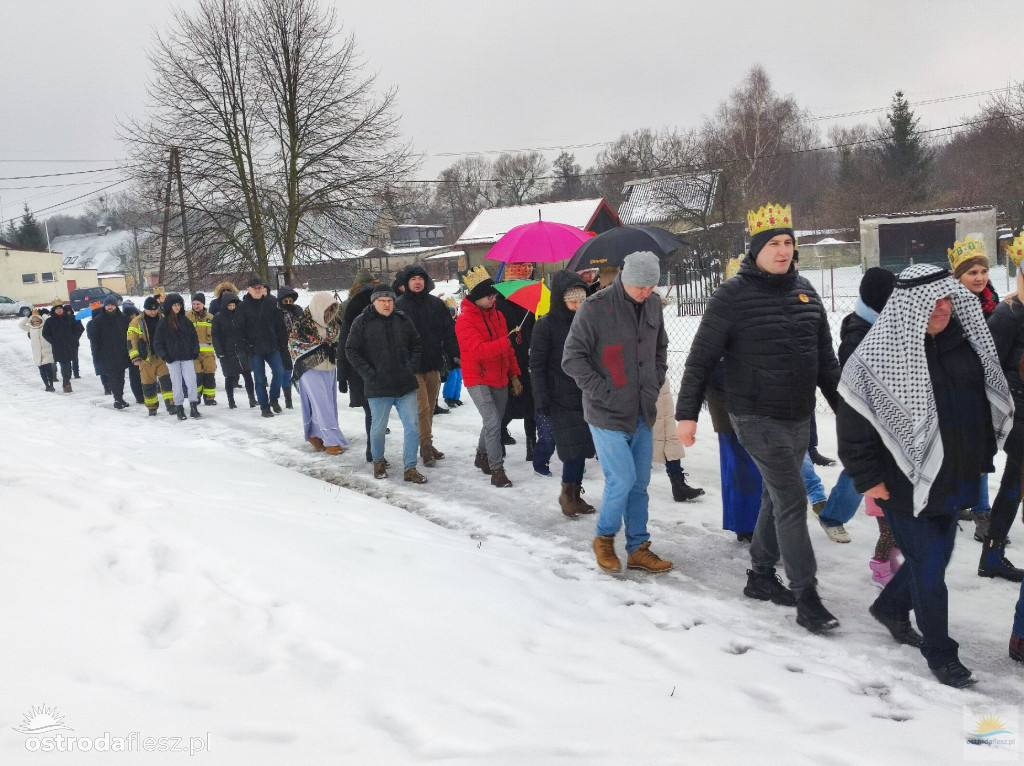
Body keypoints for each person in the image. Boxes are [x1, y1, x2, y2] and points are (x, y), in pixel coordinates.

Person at [838, 263, 1012, 688]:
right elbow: (853, 425)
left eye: (947, 299)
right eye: (931, 302)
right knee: (931, 568)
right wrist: (868, 479)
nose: (942, 308)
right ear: (907, 306)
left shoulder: (966, 342)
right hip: (902, 480)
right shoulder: (879, 353)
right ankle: (941, 654)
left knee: (933, 559)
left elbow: (985, 400)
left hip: (954, 475)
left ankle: (891, 608)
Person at [676, 203, 841, 633]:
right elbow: (699, 359)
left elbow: (826, 360)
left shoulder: (806, 290)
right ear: (756, 249)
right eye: (774, 243)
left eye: (788, 242)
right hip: (753, 414)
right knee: (792, 498)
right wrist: (687, 415)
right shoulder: (731, 295)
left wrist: (848, 412)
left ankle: (762, 577)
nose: (783, 250)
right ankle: (807, 596)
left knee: (774, 496)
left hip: (798, 414)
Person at [563, 251, 673, 575]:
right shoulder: (594, 308)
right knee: (621, 479)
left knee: (639, 483)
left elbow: (660, 349)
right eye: (639, 285)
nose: (644, 292)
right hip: (607, 413)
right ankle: (604, 538)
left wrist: (653, 382)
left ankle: (638, 548)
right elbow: (572, 358)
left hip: (642, 410)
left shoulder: (653, 304)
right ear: (624, 278)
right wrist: (603, 392)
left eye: (650, 286)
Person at [816, 267, 897, 546]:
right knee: (860, 467)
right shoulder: (858, 333)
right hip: (864, 413)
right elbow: (858, 380)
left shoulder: (886, 322)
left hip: (889, 409)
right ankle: (832, 517)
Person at [529, 270, 596, 516]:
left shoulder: (589, 321)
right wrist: (541, 397)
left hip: (587, 393)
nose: (578, 305)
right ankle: (568, 496)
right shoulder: (545, 325)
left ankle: (575, 494)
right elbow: (536, 365)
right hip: (559, 396)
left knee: (581, 447)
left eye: (582, 300)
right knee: (572, 450)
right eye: (572, 300)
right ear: (560, 299)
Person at [345, 284, 427, 484]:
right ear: (374, 302)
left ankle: (410, 467)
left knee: (412, 426)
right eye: (382, 301)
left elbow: (416, 343)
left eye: (390, 300)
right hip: (378, 387)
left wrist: (411, 366)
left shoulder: (402, 319)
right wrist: (368, 373)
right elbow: (351, 350)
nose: (387, 304)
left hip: (405, 384)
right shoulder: (362, 322)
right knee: (379, 428)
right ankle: (378, 462)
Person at [948, 235, 999, 541]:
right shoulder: (946, 308)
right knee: (954, 450)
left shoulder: (995, 306)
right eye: (972, 273)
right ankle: (952, 506)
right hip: (955, 388)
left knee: (981, 451)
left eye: (983, 271)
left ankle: (981, 510)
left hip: (984, 390)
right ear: (959, 277)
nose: (979, 278)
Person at [456, 267, 520, 489]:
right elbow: (478, 351)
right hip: (478, 378)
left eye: (494, 295)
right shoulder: (464, 320)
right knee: (493, 422)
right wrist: (507, 340)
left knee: (495, 421)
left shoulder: (499, 315)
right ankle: (497, 469)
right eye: (489, 296)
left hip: (500, 375)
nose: (494, 299)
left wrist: (514, 375)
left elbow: (507, 351)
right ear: (476, 297)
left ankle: (481, 455)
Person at [986, 235, 1024, 581]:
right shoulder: (1008, 315)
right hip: (1014, 416)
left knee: (1014, 484)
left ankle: (992, 555)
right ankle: (993, 553)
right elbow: (989, 368)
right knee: (1015, 481)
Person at [395, 264, 460, 468]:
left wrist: (454, 354)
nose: (417, 282)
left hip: (433, 362)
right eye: (413, 279)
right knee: (422, 408)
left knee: (430, 408)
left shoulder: (436, 304)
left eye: (420, 278)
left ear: (426, 281)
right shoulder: (399, 305)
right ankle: (425, 446)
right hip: (411, 367)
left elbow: (448, 332)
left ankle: (427, 443)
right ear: (407, 283)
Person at [289, 292, 349, 455]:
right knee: (321, 404)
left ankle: (316, 434)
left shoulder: (333, 323)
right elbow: (295, 347)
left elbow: (337, 342)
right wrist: (322, 348)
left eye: (332, 308)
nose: (329, 311)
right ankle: (331, 440)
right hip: (309, 369)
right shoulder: (303, 325)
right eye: (326, 308)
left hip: (329, 367)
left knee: (328, 404)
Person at [338, 269, 382, 461]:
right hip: (380, 364)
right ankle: (374, 449)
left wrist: (342, 376)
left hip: (358, 367)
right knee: (376, 410)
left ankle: (372, 449)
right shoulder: (385, 302)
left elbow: (343, 344)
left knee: (370, 410)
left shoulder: (349, 305)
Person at [496, 262, 538, 458]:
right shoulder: (497, 300)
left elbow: (536, 327)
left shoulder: (531, 299)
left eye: (530, 268)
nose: (528, 271)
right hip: (505, 357)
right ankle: (500, 435)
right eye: (523, 268)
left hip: (528, 357)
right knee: (506, 403)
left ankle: (532, 444)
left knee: (531, 402)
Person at [240, 277, 287, 418]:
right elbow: (238, 330)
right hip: (254, 349)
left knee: (279, 372)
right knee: (260, 379)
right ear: (249, 289)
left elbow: (280, 325)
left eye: (260, 287)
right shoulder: (243, 306)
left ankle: (274, 399)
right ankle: (264, 407)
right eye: (255, 288)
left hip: (272, 346)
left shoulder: (271, 303)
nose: (258, 290)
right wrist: (243, 347)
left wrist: (283, 343)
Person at [154, 293, 203, 421]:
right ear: (169, 306)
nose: (177, 307)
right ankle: (179, 407)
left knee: (191, 381)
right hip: (172, 358)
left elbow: (194, 338)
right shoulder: (163, 323)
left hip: (187, 356)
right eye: (174, 305)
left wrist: (195, 351)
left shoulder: (185, 321)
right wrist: (165, 356)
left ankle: (193, 406)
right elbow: (158, 342)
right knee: (176, 383)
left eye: (179, 305)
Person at [128, 296, 175, 416]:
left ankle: (171, 405)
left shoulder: (163, 318)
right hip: (146, 358)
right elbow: (131, 341)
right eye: (150, 310)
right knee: (148, 384)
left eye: (155, 309)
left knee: (166, 382)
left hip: (162, 356)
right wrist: (135, 358)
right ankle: (152, 407)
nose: (153, 312)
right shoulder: (136, 322)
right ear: (145, 309)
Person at [211, 291, 256, 409]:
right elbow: (215, 335)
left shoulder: (240, 315)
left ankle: (252, 398)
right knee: (229, 377)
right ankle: (231, 400)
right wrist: (219, 350)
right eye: (229, 305)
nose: (231, 307)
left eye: (233, 305)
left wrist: (249, 345)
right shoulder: (218, 317)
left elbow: (247, 330)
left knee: (247, 375)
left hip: (242, 349)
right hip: (227, 351)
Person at [88, 296, 132, 409]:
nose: (110, 307)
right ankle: (117, 399)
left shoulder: (124, 319)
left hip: (121, 352)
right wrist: (96, 354)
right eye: (108, 305)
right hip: (106, 354)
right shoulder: (98, 320)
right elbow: (94, 339)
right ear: (105, 306)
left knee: (121, 376)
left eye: (112, 305)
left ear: (116, 306)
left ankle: (120, 397)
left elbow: (130, 336)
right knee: (113, 376)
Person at [42, 299, 84, 393]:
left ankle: (67, 379)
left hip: (70, 345)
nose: (59, 311)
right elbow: (45, 333)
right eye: (57, 310)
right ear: (54, 311)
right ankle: (66, 383)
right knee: (64, 363)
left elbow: (80, 328)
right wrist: (53, 341)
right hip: (58, 347)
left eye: (60, 309)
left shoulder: (71, 318)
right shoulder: (50, 321)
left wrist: (74, 338)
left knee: (69, 364)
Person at [185, 293, 218, 406]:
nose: (195, 306)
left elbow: (216, 334)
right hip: (193, 353)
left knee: (209, 375)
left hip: (208, 354)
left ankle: (209, 398)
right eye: (194, 304)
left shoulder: (210, 318)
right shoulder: (187, 317)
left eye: (198, 304)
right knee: (196, 376)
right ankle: (196, 397)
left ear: (203, 304)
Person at [277, 285, 304, 410]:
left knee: (301, 370)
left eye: (290, 301)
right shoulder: (277, 312)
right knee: (286, 371)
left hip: (299, 344)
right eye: (285, 301)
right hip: (283, 346)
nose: (288, 303)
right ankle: (288, 400)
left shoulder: (297, 310)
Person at [19, 309, 55, 391]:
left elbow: (50, 321)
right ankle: (47, 385)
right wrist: (27, 316)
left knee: (49, 369)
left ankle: (52, 385)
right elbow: (21, 325)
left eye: (38, 321)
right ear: (31, 322)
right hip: (37, 353)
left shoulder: (45, 327)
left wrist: (43, 315)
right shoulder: (30, 329)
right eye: (34, 321)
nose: (36, 323)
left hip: (47, 351)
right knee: (42, 371)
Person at [441, 296, 464, 408]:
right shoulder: (446, 325)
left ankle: (456, 397)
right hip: (450, 355)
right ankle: (448, 397)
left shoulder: (457, 323)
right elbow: (449, 343)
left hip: (458, 353)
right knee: (452, 376)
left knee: (459, 376)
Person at [120, 300, 145, 404]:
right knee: (135, 376)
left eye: (134, 314)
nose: (132, 317)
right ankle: (139, 397)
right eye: (130, 315)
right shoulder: (124, 325)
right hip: (131, 354)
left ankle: (146, 394)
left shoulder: (141, 322)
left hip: (143, 352)